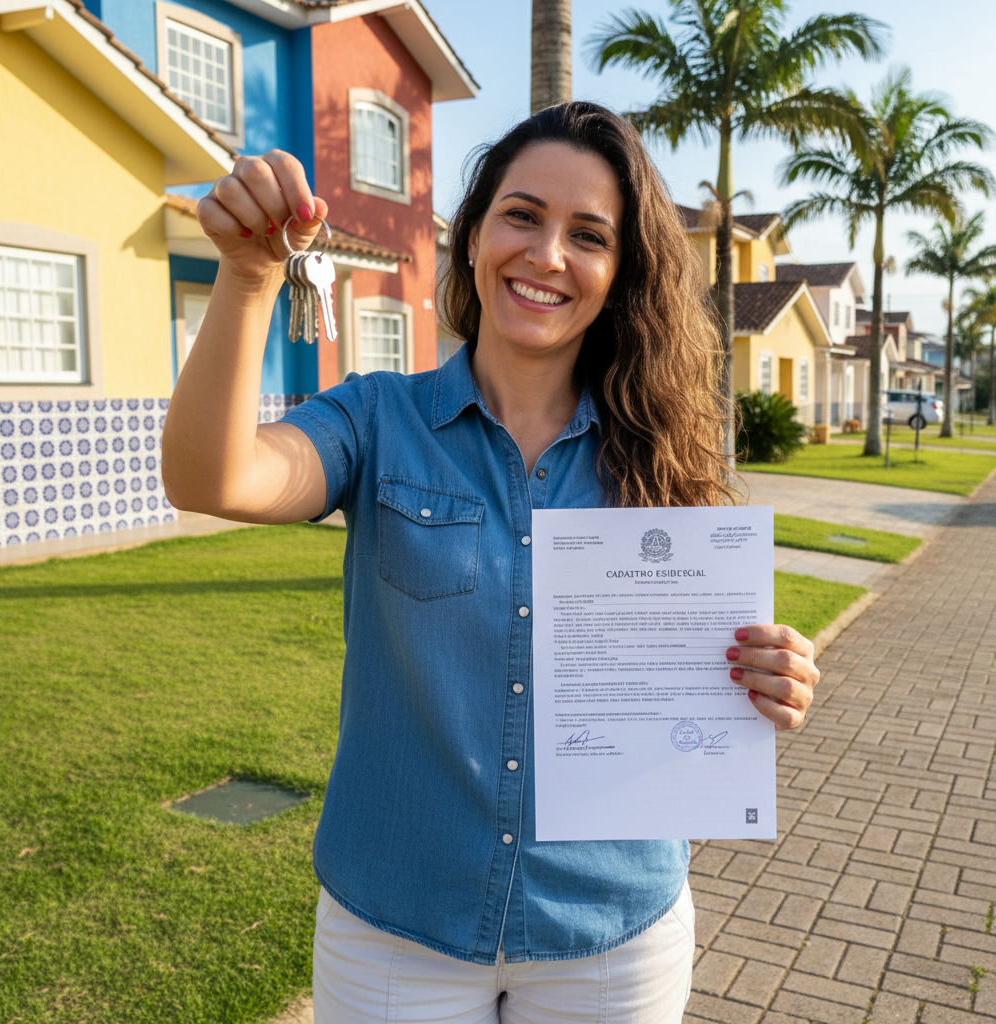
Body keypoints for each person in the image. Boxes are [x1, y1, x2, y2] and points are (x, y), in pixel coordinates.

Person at [162, 101, 819, 1024]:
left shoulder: (666, 456)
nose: (548, 254)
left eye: (588, 234)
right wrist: (244, 278)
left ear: (619, 271)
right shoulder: (375, 419)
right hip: (395, 932)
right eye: (521, 215)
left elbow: (704, 662)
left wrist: (770, 674)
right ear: (471, 236)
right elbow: (212, 476)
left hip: (609, 936)